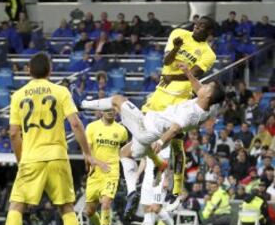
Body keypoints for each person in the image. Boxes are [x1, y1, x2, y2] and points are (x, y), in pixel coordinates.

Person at [0, 52, 108, 225]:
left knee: (17, 205)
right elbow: (76, 124)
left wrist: (21, 160)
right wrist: (88, 154)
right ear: (50, 71)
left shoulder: (18, 95)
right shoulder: (61, 91)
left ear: (29, 71)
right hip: (58, 156)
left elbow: (14, 133)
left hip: (31, 158)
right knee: (66, 207)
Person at [82, 62, 225, 213]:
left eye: (207, 86)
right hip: (151, 134)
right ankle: (132, 192)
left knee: (118, 100)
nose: (203, 85)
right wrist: (188, 74)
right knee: (125, 153)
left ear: (208, 94)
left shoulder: (191, 113)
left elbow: (175, 128)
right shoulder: (207, 107)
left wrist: (161, 141)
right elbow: (199, 89)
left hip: (149, 128)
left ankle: (82, 105)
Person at [141, 16, 216, 202]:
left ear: (209, 32)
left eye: (202, 26)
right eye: (196, 23)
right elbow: (167, 62)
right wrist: (175, 47)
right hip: (160, 93)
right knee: (146, 138)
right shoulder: (179, 33)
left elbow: (194, 75)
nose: (196, 27)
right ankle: (145, 186)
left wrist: (173, 78)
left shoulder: (208, 54)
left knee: (175, 144)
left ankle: (171, 190)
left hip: (181, 100)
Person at [85, 109, 128, 225]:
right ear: (100, 111)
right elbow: (87, 151)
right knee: (89, 211)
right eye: (107, 109)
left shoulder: (121, 131)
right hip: (95, 172)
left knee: (106, 203)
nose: (110, 111)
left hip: (111, 172)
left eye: (113, 109)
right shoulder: (91, 127)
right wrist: (91, 165)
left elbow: (124, 149)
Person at [135, 157, 178, 225]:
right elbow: (144, 160)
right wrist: (138, 174)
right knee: (147, 208)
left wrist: (166, 178)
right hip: (147, 179)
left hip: (159, 178)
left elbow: (168, 162)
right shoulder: (146, 143)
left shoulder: (163, 144)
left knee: (156, 208)